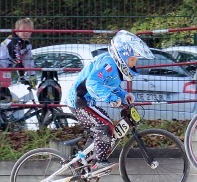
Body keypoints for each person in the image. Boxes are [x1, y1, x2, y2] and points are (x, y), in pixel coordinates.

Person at [66, 30, 154, 174]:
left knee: (101, 127)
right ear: (123, 56)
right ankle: (99, 163)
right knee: (104, 125)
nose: (134, 64)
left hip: (86, 102)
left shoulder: (114, 67)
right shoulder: (108, 64)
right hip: (78, 101)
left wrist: (124, 95)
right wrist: (112, 99)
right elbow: (92, 84)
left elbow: (110, 86)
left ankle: (85, 164)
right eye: (133, 60)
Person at [0, 17, 37, 81]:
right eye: (23, 30)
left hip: (5, 70)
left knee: (4, 88)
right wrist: (21, 75)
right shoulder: (12, 41)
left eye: (29, 30)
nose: (26, 32)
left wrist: (32, 75)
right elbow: (18, 58)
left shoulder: (27, 45)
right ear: (16, 32)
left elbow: (28, 61)